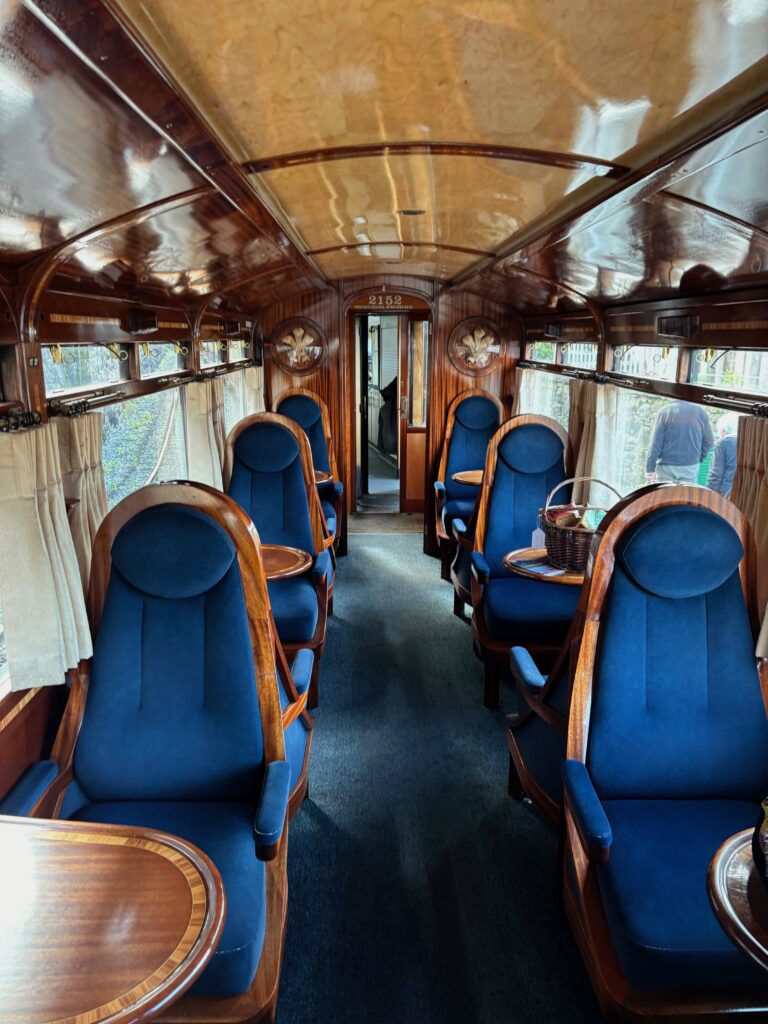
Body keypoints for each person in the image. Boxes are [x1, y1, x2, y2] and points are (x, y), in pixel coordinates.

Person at [645, 400, 714, 484]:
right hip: (690, 466)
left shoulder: (665, 412)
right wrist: (697, 458)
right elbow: (709, 441)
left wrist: (650, 468)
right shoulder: (701, 412)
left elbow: (655, 444)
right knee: (686, 496)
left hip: (666, 466)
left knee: (665, 496)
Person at [707, 413, 739, 497]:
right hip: (742, 494)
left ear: (724, 430)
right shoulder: (748, 441)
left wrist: (708, 495)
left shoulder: (724, 443)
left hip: (725, 495)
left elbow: (716, 475)